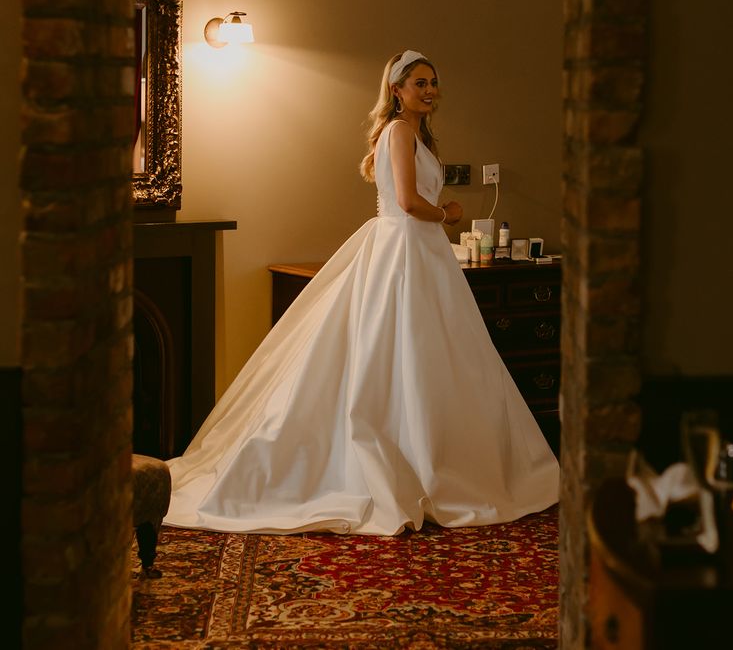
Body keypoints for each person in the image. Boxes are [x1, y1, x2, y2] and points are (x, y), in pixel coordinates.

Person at [163, 50, 559, 535]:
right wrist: (450, 214)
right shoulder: (398, 131)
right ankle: (401, 464)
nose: (430, 90)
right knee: (397, 351)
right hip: (405, 249)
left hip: (421, 253)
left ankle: (431, 459)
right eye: (419, 83)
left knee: (428, 355)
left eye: (433, 82)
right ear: (396, 90)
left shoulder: (415, 135)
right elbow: (412, 203)